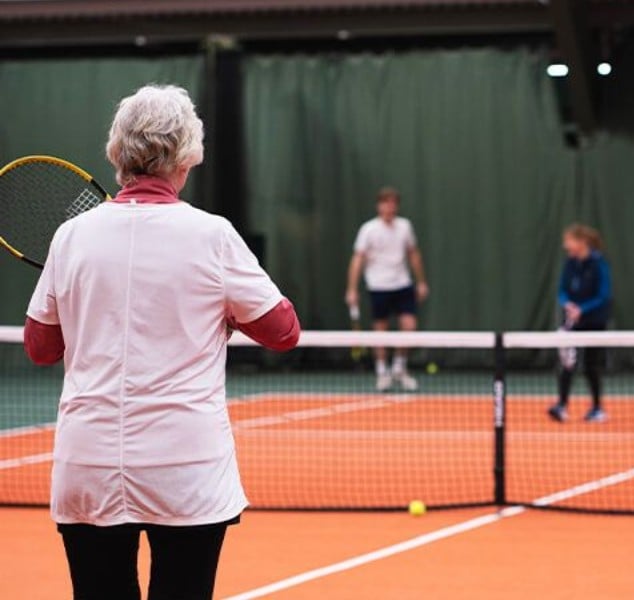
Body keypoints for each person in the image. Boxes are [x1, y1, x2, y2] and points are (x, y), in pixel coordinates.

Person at [23, 85, 300, 600]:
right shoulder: (213, 235)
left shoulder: (71, 236)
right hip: (186, 470)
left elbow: (40, 347)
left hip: (88, 466)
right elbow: (283, 331)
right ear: (187, 155)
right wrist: (227, 315)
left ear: (117, 152)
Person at [345, 187, 429, 392]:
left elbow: (413, 254)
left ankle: (399, 367)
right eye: (385, 203)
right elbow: (358, 259)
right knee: (380, 331)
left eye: (393, 203)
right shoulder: (368, 229)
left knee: (409, 326)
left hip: (403, 284)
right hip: (378, 286)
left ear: (397, 206)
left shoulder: (405, 227)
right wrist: (352, 289)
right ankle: (382, 372)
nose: (389, 207)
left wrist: (421, 282)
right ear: (379, 206)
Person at [548, 223, 611, 424]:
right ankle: (561, 406)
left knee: (591, 365)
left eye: (569, 241)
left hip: (595, 322)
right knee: (568, 364)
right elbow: (562, 290)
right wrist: (568, 304)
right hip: (573, 322)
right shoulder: (570, 263)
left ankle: (597, 408)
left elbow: (604, 295)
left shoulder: (598, 263)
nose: (566, 245)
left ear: (581, 242)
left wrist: (582, 309)